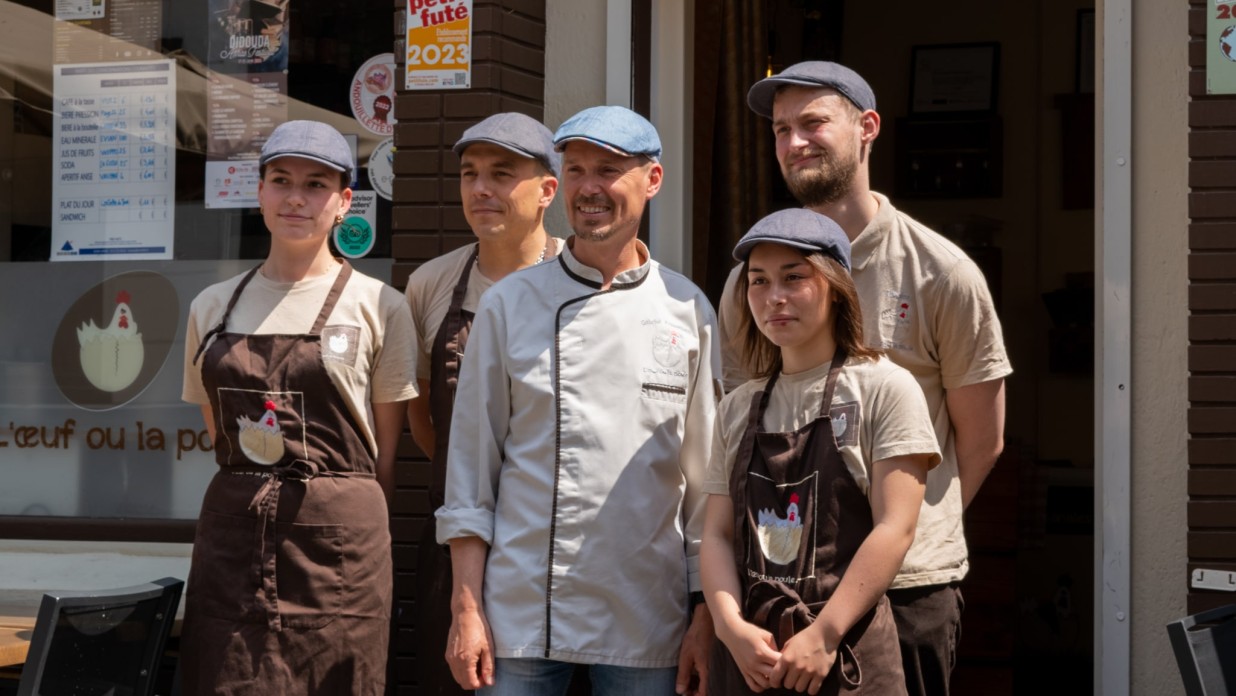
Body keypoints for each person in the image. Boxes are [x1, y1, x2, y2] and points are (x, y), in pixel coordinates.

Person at [718, 62, 1013, 696]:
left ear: (867, 127)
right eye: (780, 130)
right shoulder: (749, 284)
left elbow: (982, 441)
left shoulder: (942, 273)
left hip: (908, 591)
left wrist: (899, 534)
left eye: (813, 123)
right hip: (778, 594)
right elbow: (746, 423)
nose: (794, 143)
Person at [435, 105, 719, 696]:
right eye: (577, 169)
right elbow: (470, 472)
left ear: (653, 180)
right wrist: (466, 606)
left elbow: (705, 486)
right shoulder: (510, 304)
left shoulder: (687, 309)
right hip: (519, 614)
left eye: (609, 170)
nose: (589, 187)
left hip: (648, 615)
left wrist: (705, 615)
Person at [180, 120, 418, 694]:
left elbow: (384, 454)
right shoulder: (211, 307)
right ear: (259, 192)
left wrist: (337, 512)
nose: (295, 197)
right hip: (233, 537)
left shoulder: (379, 305)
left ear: (342, 202)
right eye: (280, 179)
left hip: (339, 549)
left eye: (316, 184)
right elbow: (218, 431)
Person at [701, 208, 939, 696]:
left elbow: (897, 527)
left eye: (794, 277)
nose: (775, 297)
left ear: (835, 286)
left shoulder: (885, 388)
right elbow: (718, 535)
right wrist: (730, 628)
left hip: (845, 653)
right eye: (759, 281)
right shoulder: (737, 407)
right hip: (753, 662)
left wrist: (824, 635)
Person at [404, 112, 565, 695]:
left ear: (548, 190)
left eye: (501, 174)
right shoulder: (430, 284)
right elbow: (423, 417)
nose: (480, 189)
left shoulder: (581, 280)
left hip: (555, 546)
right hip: (454, 538)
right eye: (470, 174)